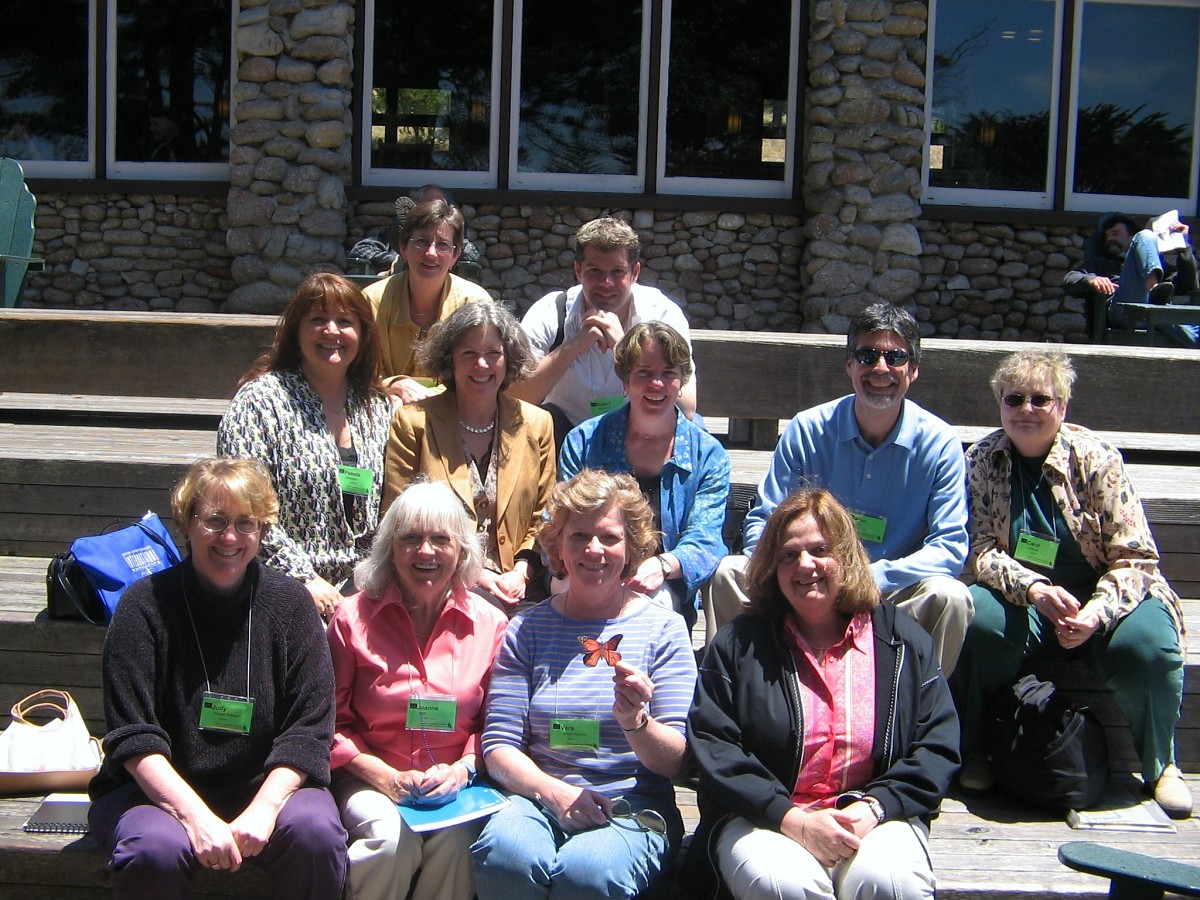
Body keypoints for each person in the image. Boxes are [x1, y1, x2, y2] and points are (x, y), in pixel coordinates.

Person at [87, 457, 346, 899]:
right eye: (215, 520)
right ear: (187, 523)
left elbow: (309, 730)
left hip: (263, 783)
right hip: (157, 793)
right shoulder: (142, 607)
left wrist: (265, 809)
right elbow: (133, 737)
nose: (230, 537)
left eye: (246, 523)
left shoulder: (292, 606)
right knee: (152, 850)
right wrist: (194, 817)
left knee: (316, 833)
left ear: (263, 532)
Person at [686, 488, 958, 900]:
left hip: (874, 815)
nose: (805, 565)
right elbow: (716, 747)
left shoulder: (903, 644)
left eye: (820, 550)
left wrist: (874, 809)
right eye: (788, 555)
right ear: (772, 569)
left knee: (891, 883)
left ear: (846, 558)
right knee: (785, 886)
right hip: (766, 819)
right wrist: (793, 820)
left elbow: (937, 745)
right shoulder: (738, 645)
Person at [954, 349, 1191, 818]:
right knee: (977, 621)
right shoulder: (982, 459)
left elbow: (1136, 557)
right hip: (1028, 599)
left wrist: (1096, 612)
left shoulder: (1097, 459)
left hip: (1110, 597)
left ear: (1062, 406)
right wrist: (1034, 590)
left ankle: (1160, 764)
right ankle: (979, 747)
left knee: (1147, 647)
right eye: (1013, 398)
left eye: (1040, 399)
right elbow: (982, 551)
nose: (1025, 410)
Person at [703, 303, 973, 676]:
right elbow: (765, 518)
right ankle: (739, 700)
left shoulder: (941, 443)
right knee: (730, 573)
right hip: (804, 579)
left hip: (889, 590)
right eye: (867, 355)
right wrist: (789, 571)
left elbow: (950, 548)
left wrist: (874, 577)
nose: (880, 368)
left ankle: (917, 714)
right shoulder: (807, 429)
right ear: (849, 365)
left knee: (951, 597)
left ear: (913, 370)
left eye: (895, 356)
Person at [470, 469, 698, 899]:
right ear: (558, 545)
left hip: (632, 805)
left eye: (609, 537)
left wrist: (636, 722)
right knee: (506, 856)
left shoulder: (664, 630)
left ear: (630, 547)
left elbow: (675, 762)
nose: (594, 550)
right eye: (579, 537)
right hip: (537, 795)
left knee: (586, 873)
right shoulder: (527, 628)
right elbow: (499, 746)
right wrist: (554, 794)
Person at [327, 480, 509, 900]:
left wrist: (461, 771)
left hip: (457, 788)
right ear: (391, 548)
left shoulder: (490, 624)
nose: (426, 551)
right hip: (370, 780)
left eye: (440, 539)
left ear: (461, 551)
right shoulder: (352, 619)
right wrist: (386, 778)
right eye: (411, 539)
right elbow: (329, 722)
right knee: (389, 839)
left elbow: (496, 724)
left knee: (459, 842)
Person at [218, 271, 391, 619]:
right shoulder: (259, 403)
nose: (331, 331)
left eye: (345, 321)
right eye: (317, 320)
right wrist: (303, 578)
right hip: (277, 586)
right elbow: (243, 504)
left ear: (362, 335)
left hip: (364, 587)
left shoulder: (375, 406)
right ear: (296, 333)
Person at [383, 301, 556, 613]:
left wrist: (521, 570)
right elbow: (398, 518)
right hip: (437, 586)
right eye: (469, 354)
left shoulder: (537, 423)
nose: (482, 365)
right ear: (449, 360)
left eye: (493, 354)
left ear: (509, 359)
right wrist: (477, 576)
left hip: (519, 587)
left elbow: (544, 513)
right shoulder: (414, 423)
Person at [559, 321, 729, 628]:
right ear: (624, 379)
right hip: (586, 566)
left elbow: (706, 539)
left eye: (668, 373)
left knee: (654, 606)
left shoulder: (708, 454)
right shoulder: (584, 442)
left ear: (681, 381)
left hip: (661, 580)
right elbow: (559, 522)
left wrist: (662, 566)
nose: (657, 384)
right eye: (644, 373)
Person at [508, 217, 698, 448]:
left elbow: (687, 408)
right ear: (578, 270)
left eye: (617, 271)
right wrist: (572, 347)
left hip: (639, 436)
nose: (606, 283)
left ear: (635, 272)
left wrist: (626, 348)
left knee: (695, 435)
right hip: (565, 433)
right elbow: (515, 397)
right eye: (595, 271)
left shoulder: (661, 314)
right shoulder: (551, 312)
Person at [362, 199, 495, 406]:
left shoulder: (475, 304)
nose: (431, 253)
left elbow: (485, 372)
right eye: (421, 242)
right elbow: (354, 372)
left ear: (455, 256)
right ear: (404, 249)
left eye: (442, 245)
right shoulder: (371, 301)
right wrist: (392, 384)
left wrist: (437, 398)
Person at [1063, 211, 1198, 344]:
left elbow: (1188, 285)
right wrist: (1091, 279)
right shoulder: (1100, 264)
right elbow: (1070, 279)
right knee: (1146, 234)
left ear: (1132, 238)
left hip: (1155, 318)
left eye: (1115, 234)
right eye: (1106, 236)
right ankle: (1153, 289)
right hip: (1124, 313)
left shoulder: (1158, 266)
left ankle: (1156, 301)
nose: (1110, 239)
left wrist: (1184, 246)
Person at [349, 185, 483, 281]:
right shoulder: (396, 231)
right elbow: (360, 249)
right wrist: (395, 258)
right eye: (430, 204)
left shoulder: (451, 233)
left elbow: (471, 253)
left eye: (441, 205)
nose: (431, 252)